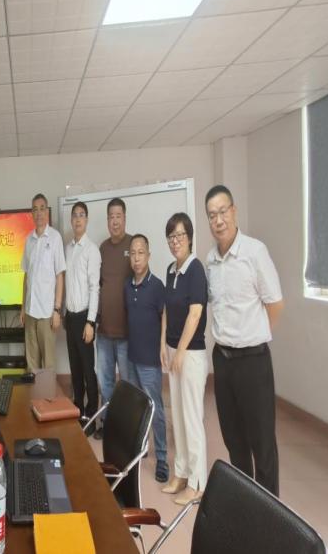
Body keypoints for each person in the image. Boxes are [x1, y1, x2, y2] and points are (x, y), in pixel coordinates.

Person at [205, 185, 283, 496]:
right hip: (223, 361)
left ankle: (270, 512)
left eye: (223, 211)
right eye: (212, 215)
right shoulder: (211, 260)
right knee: (234, 440)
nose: (218, 220)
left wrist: (254, 337)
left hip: (253, 360)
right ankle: (245, 503)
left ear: (234, 211)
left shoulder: (255, 252)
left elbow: (275, 304)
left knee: (262, 443)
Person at [160, 213, 209, 504]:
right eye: (171, 237)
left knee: (192, 418)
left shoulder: (196, 269)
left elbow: (195, 313)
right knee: (176, 416)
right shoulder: (171, 270)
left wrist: (179, 351)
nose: (175, 241)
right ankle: (180, 473)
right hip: (172, 350)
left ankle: (197, 482)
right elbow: (167, 310)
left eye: (179, 235)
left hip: (190, 354)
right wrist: (163, 345)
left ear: (189, 237)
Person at [124, 234, 168, 483]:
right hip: (131, 357)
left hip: (150, 360)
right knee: (138, 408)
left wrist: (162, 346)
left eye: (141, 253)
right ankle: (142, 448)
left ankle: (162, 458)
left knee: (156, 409)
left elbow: (165, 317)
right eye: (133, 253)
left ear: (148, 256)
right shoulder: (127, 287)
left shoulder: (157, 286)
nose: (137, 258)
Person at [95, 197, 132, 439]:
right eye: (111, 217)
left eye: (118, 216)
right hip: (104, 331)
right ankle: (107, 424)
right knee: (106, 382)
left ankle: (127, 429)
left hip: (127, 332)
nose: (115, 221)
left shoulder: (133, 244)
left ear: (124, 218)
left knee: (127, 385)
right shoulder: (102, 249)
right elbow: (97, 285)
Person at [64, 202, 101, 432]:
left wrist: (90, 322)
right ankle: (78, 410)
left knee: (88, 370)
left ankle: (92, 415)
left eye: (81, 215)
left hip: (85, 319)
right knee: (75, 370)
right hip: (70, 318)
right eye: (75, 215)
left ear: (86, 220)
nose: (78, 219)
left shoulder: (92, 250)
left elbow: (95, 288)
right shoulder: (67, 249)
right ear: (71, 220)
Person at [20, 193, 66, 370]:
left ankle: (47, 391)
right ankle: (34, 391)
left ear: (46, 211)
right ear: (31, 214)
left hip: (47, 313)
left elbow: (60, 276)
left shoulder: (55, 238)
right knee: (32, 364)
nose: (38, 213)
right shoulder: (28, 240)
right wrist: (23, 308)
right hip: (30, 312)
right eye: (35, 209)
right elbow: (26, 276)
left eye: (42, 208)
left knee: (48, 365)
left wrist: (57, 310)